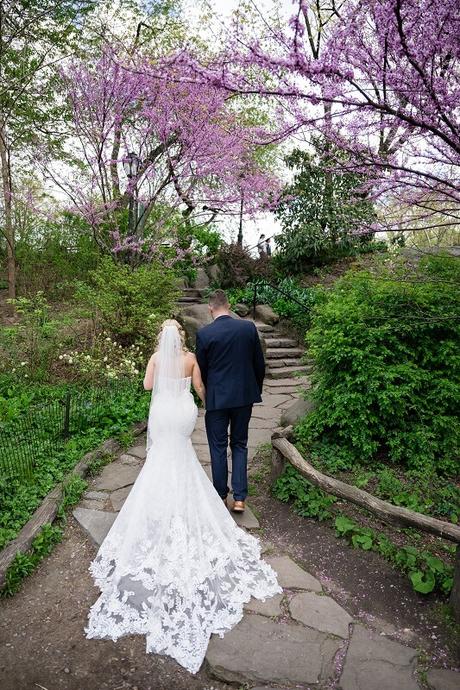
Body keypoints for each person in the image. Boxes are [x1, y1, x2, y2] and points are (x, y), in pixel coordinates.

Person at [85, 319, 280, 674]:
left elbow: (147, 387)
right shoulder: (191, 359)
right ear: (183, 336)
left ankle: (158, 508)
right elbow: (200, 387)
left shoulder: (156, 358)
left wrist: (160, 378)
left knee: (161, 458)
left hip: (163, 412)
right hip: (184, 413)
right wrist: (204, 400)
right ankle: (219, 499)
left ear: (162, 336)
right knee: (184, 455)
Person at [196, 290, 265, 513]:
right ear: (229, 305)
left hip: (217, 398)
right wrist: (254, 389)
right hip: (244, 396)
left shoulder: (204, 334)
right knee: (239, 444)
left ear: (210, 308)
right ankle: (240, 498)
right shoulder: (247, 328)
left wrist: (207, 394)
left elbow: (202, 370)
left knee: (217, 447)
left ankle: (219, 495)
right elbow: (259, 364)